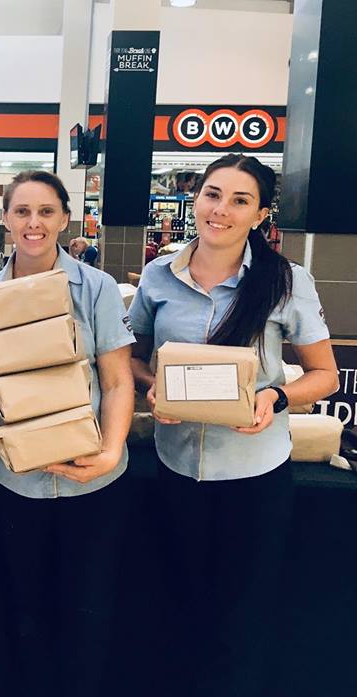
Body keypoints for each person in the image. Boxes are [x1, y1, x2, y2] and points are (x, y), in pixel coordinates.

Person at [128, 154, 339, 697]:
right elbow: (130, 357)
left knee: (241, 622)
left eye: (239, 200)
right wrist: (155, 385)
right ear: (196, 198)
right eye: (212, 194)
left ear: (261, 214)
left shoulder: (285, 281)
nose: (220, 210)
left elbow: (324, 375)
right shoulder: (158, 276)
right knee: (176, 607)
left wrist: (274, 396)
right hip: (177, 469)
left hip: (254, 475)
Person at [0, 170, 136, 697]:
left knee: (88, 609)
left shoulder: (97, 287)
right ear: (6, 220)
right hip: (17, 481)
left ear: (64, 218)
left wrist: (110, 452)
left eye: (45, 212)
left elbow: (117, 377)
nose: (33, 223)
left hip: (94, 479)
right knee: (22, 606)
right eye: (21, 212)